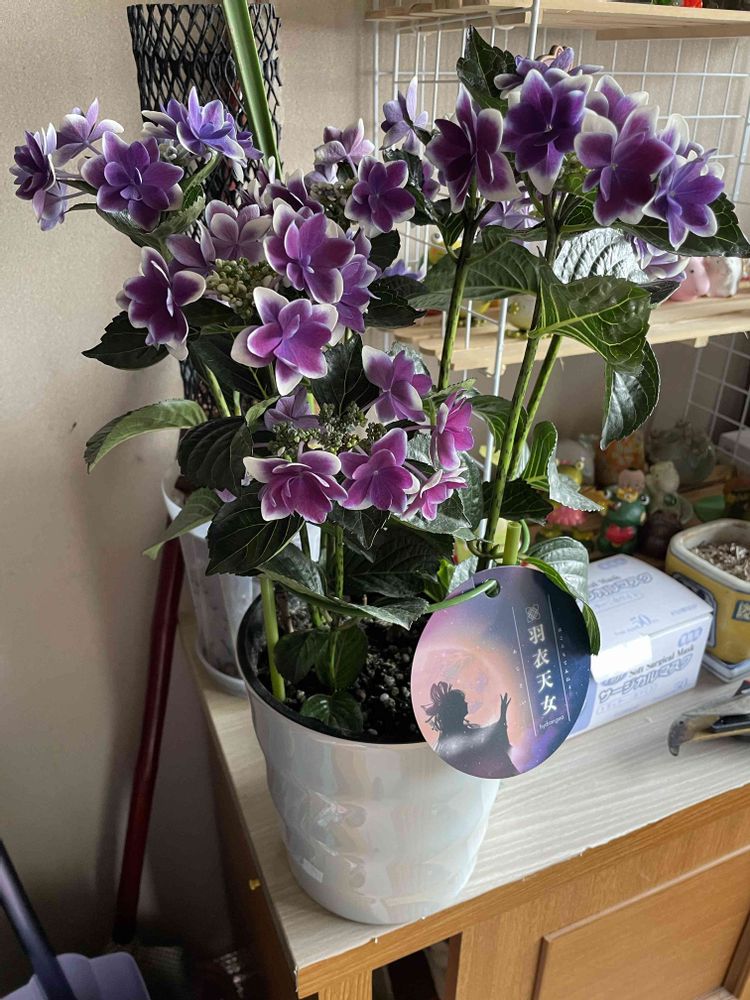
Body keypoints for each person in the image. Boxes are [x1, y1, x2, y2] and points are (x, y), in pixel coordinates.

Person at [422, 682, 519, 778]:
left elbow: (486, 734)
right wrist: (502, 719)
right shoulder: (455, 738)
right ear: (455, 709)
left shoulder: (456, 733)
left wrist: (502, 717)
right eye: (462, 701)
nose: (466, 703)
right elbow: (486, 737)